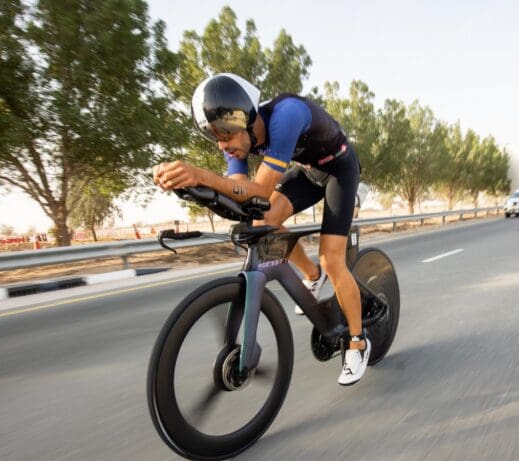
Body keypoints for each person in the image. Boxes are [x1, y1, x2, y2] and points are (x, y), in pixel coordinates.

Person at [152, 73, 370, 386]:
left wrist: (200, 174)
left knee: (332, 259)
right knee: (262, 222)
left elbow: (260, 192)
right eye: (215, 138)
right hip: (308, 172)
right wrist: (188, 183)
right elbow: (239, 190)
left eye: (225, 135)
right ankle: (311, 275)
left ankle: (358, 343)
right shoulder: (239, 143)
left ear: (248, 117)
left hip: (339, 169)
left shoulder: (286, 115)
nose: (223, 146)